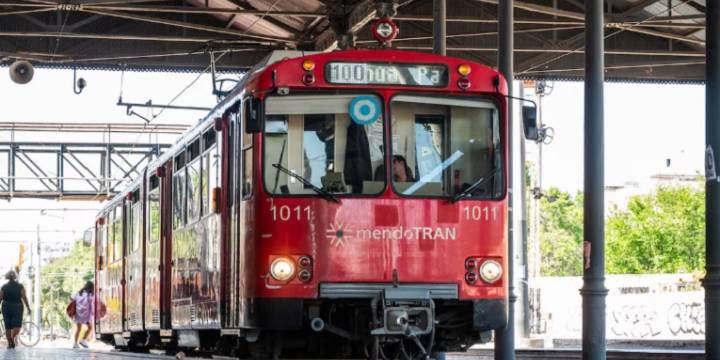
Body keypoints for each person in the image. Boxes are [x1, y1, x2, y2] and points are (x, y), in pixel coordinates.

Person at [0, 270, 31, 349]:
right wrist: (28, 307)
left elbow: (24, 297)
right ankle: (10, 341)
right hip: (12, 307)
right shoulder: (17, 286)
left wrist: (28, 307)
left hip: (12, 307)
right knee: (10, 326)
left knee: (13, 326)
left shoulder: (6, 287)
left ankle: (11, 339)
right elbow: (24, 297)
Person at [72, 281, 94, 349]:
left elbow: (72, 299)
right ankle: (83, 340)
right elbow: (92, 303)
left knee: (78, 329)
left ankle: (75, 343)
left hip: (78, 313)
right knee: (90, 327)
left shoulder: (78, 293)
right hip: (86, 315)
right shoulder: (90, 294)